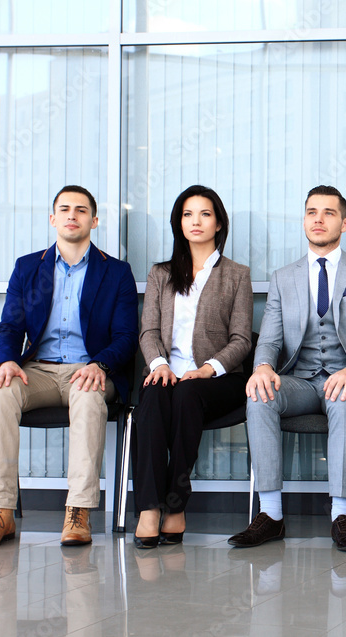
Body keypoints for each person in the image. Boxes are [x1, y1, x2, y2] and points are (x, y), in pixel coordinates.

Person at [228, 185, 346, 552]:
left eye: (329, 213)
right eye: (311, 212)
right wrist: (261, 367)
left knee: (341, 398)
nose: (318, 219)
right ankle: (271, 515)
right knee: (260, 396)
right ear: (304, 220)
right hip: (301, 381)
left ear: (345, 222)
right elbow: (271, 340)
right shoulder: (283, 277)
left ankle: (342, 516)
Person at [0, 185, 139, 548]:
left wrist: (101, 364)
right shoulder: (29, 268)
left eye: (81, 210)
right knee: (0, 393)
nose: (72, 215)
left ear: (94, 220)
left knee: (89, 394)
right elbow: (10, 326)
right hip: (39, 372)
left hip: (91, 370)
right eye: (64, 209)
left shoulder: (116, 273)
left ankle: (78, 512)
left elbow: (126, 336)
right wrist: (7, 362)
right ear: (53, 219)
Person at [130, 185, 252, 548]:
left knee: (187, 394)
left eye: (204, 214)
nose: (195, 221)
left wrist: (209, 368)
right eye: (187, 214)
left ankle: (176, 503)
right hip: (168, 371)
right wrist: (159, 364)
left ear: (218, 224)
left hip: (218, 379)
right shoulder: (161, 274)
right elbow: (148, 329)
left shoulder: (236, 275)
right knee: (152, 398)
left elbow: (242, 340)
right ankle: (150, 508)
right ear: (178, 223)